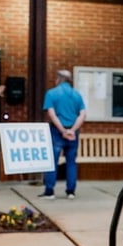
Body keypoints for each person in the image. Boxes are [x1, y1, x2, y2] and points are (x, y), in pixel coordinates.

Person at [39, 69, 86, 199]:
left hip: (56, 131)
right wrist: (72, 130)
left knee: (52, 162)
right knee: (71, 162)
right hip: (73, 132)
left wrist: (62, 131)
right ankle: (70, 191)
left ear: (58, 79)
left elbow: (52, 114)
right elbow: (82, 114)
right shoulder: (77, 94)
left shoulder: (52, 93)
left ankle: (50, 191)